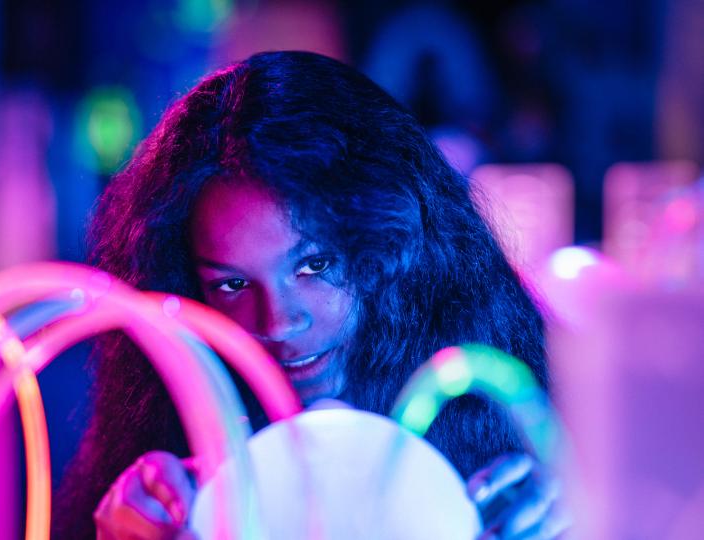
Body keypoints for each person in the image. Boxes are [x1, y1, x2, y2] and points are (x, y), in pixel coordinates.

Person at [53, 51, 564, 539]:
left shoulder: (535, 439)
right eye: (231, 285)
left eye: (314, 265)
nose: (277, 322)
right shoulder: (181, 483)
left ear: (393, 249)